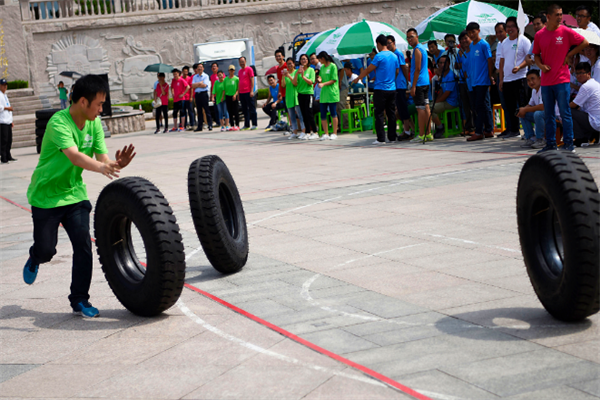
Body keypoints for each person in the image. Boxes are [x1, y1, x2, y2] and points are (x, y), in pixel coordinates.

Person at [23, 74, 136, 318]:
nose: (101, 109)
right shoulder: (58, 123)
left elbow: (101, 159)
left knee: (83, 244)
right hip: (46, 196)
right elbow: (75, 157)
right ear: (83, 102)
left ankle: (79, 299)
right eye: (99, 104)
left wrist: (115, 164)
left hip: (74, 194)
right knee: (46, 250)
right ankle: (35, 257)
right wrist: (102, 167)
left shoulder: (94, 124)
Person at [532, 4, 588, 153]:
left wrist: (569, 55)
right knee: (549, 114)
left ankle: (569, 144)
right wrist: (541, 66)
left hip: (562, 79)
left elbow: (584, 42)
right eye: (557, 14)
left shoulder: (565, 31)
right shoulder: (539, 35)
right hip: (546, 81)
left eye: (561, 14)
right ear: (548, 17)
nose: (559, 17)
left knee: (565, 113)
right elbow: (536, 54)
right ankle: (550, 144)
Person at [354, 34, 399, 144]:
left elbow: (368, 70)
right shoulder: (394, 56)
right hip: (392, 88)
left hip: (380, 89)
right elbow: (397, 71)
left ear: (378, 44)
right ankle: (392, 137)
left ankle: (381, 139)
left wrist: (358, 78)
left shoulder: (379, 56)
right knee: (391, 113)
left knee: (379, 114)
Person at [498, 17, 531, 139]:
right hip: (507, 80)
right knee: (510, 106)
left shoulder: (523, 41)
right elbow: (502, 62)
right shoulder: (504, 43)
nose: (510, 29)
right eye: (508, 27)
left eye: (512, 26)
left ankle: (528, 131)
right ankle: (514, 130)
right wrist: (501, 79)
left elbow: (529, 59)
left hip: (520, 78)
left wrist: (519, 66)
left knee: (522, 105)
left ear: (517, 28)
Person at [465, 22, 495, 142]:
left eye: (473, 32)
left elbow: (489, 60)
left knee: (479, 106)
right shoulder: (472, 45)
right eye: (469, 33)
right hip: (473, 81)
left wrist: (489, 76)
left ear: (478, 30)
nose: (471, 34)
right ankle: (488, 129)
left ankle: (478, 131)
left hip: (482, 80)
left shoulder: (484, 44)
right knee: (481, 106)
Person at [406, 28, 432, 143]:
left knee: (420, 108)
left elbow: (417, 68)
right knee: (426, 107)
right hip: (425, 82)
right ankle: (428, 133)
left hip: (420, 83)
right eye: (408, 37)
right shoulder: (422, 48)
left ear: (417, 36)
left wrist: (413, 86)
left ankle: (422, 134)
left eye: (411, 36)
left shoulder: (417, 50)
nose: (409, 39)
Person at [387, 35, 412, 140]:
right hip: (394, 85)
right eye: (386, 43)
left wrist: (406, 81)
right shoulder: (391, 55)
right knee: (400, 110)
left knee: (403, 109)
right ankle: (407, 130)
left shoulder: (398, 54)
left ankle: (409, 131)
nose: (388, 45)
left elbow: (403, 67)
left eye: (389, 43)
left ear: (394, 42)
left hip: (400, 84)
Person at [570, 62, 600, 145]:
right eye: (577, 73)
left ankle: (580, 138)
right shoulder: (595, 83)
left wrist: (560, 106)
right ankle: (588, 136)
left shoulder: (586, 86)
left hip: (595, 121)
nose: (578, 76)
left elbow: (574, 105)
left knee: (568, 111)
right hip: (596, 120)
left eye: (581, 73)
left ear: (589, 73)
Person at [430, 55, 460, 137]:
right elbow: (441, 90)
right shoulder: (443, 75)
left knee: (430, 109)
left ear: (449, 63)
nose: (443, 64)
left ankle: (440, 127)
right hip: (445, 101)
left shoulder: (451, 75)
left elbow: (447, 93)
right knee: (429, 106)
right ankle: (439, 126)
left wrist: (437, 101)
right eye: (441, 63)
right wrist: (436, 100)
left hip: (451, 102)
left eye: (445, 62)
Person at [518, 69, 546, 148]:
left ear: (540, 78)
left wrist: (525, 109)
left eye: (533, 79)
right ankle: (531, 138)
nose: (530, 82)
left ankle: (541, 139)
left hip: (553, 116)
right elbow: (530, 105)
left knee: (538, 113)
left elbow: (542, 107)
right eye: (528, 80)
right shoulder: (534, 90)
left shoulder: (543, 88)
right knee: (522, 113)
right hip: (543, 116)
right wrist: (522, 110)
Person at [294, 54, 319, 139]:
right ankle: (307, 132)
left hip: (308, 94)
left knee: (309, 113)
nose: (303, 60)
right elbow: (295, 83)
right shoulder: (298, 71)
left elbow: (311, 82)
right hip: (300, 94)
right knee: (303, 114)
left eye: (305, 59)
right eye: (302, 59)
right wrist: (297, 73)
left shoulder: (311, 70)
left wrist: (303, 76)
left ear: (307, 61)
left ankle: (315, 132)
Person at [493, 22, 511, 137]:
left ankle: (513, 129)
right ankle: (508, 128)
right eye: (497, 32)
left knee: (511, 105)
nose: (499, 34)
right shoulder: (499, 44)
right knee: (504, 105)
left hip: (509, 78)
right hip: (500, 77)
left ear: (506, 31)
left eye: (501, 31)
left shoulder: (509, 43)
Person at [317, 51, 339, 140]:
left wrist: (323, 84)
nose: (319, 61)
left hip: (332, 93)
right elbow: (321, 77)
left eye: (320, 59)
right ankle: (326, 133)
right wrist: (319, 79)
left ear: (323, 58)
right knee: (323, 114)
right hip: (324, 94)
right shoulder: (322, 67)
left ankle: (334, 133)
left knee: (333, 113)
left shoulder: (333, 66)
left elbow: (334, 79)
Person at [280, 57, 305, 139]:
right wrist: (283, 76)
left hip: (296, 95)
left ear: (294, 64)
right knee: (291, 115)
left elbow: (295, 83)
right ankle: (294, 132)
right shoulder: (286, 74)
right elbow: (283, 85)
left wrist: (289, 76)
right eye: (288, 64)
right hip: (289, 96)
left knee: (300, 114)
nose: (289, 65)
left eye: (291, 63)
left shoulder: (296, 72)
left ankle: (303, 131)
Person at [191, 63, 213, 132]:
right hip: (197, 94)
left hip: (204, 94)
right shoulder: (195, 77)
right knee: (199, 111)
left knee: (207, 110)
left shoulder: (206, 76)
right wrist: (200, 83)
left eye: (201, 67)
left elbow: (205, 85)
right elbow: (193, 85)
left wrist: (198, 84)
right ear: (197, 69)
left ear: (203, 68)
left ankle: (210, 125)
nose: (200, 68)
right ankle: (200, 126)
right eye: (198, 67)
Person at [238, 56, 258, 130]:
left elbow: (252, 80)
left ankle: (254, 124)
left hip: (248, 92)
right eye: (240, 62)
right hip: (242, 92)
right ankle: (246, 125)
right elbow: (240, 82)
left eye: (243, 61)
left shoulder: (249, 69)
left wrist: (252, 90)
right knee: (244, 109)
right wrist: (239, 93)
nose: (242, 63)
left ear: (245, 61)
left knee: (252, 108)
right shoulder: (240, 71)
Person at [0, 79, 15, 164]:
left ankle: (8, 155)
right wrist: (7, 108)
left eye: (6, 85)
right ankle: (3, 157)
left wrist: (11, 120)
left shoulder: (4, 95)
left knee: (9, 140)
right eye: (3, 85)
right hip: (2, 121)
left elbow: (9, 107)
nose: (5, 87)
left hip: (7, 121)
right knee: (4, 140)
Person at [224, 65, 240, 131]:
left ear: (234, 71)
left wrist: (235, 95)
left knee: (236, 111)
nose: (231, 71)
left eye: (232, 70)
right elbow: (224, 89)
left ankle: (237, 125)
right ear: (228, 71)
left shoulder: (236, 79)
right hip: (228, 96)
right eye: (230, 70)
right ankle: (232, 125)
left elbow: (238, 88)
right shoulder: (226, 79)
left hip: (234, 96)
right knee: (229, 111)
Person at [182, 66, 196, 130]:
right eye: (184, 71)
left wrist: (191, 97)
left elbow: (191, 88)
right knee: (183, 111)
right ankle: (184, 125)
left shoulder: (190, 78)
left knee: (190, 111)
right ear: (182, 72)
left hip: (189, 97)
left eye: (186, 71)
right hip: (182, 98)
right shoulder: (181, 78)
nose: (185, 73)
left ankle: (192, 124)